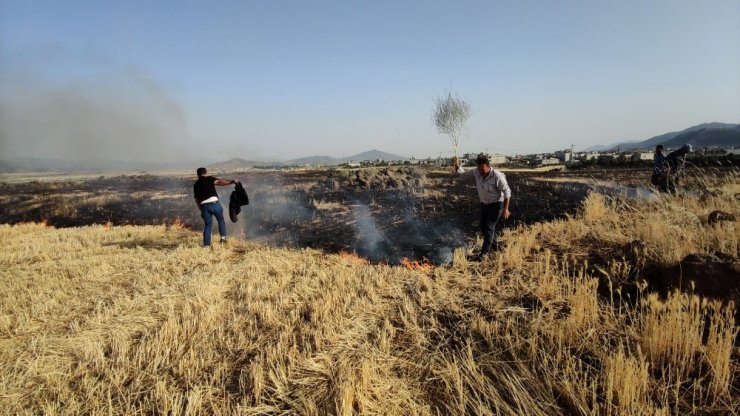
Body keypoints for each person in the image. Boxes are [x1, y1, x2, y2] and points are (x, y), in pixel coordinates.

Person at [452, 154, 512, 260]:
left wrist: (506, 209)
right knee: (483, 228)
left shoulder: (497, 176)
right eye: (479, 170)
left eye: (483, 169)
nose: (481, 172)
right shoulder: (476, 171)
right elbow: (463, 174)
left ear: (488, 166)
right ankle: (497, 247)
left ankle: (484, 254)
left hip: (496, 204)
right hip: (484, 205)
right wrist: (456, 165)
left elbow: (507, 192)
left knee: (489, 227)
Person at [193, 167, 239, 247]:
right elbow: (220, 182)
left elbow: (197, 200)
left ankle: (206, 245)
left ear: (198, 174)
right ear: (206, 173)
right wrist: (232, 182)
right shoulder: (209, 178)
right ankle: (223, 239)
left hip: (204, 206)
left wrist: (201, 210)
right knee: (220, 220)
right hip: (214, 204)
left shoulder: (196, 184)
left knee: (208, 225)